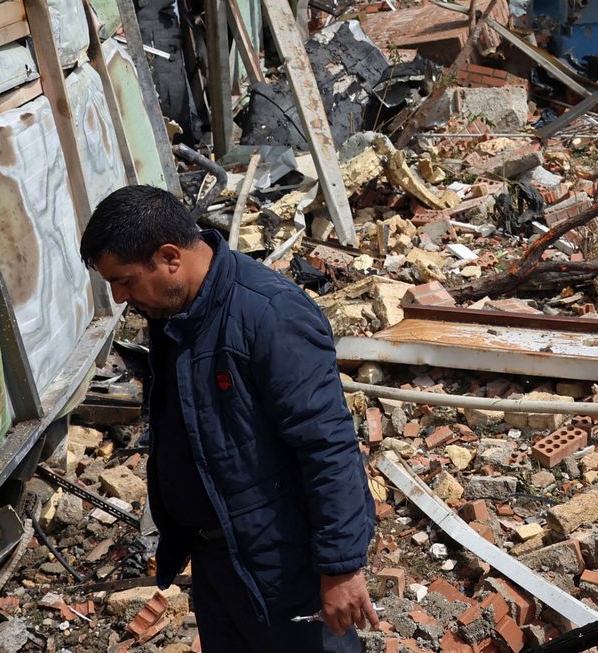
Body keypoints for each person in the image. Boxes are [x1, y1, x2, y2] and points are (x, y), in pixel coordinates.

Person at [81, 187, 378, 651]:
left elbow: (327, 445)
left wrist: (340, 569)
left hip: (282, 563)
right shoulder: (176, 313)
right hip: (217, 558)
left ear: (170, 257)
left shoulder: (268, 314)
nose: (120, 297)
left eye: (124, 281)